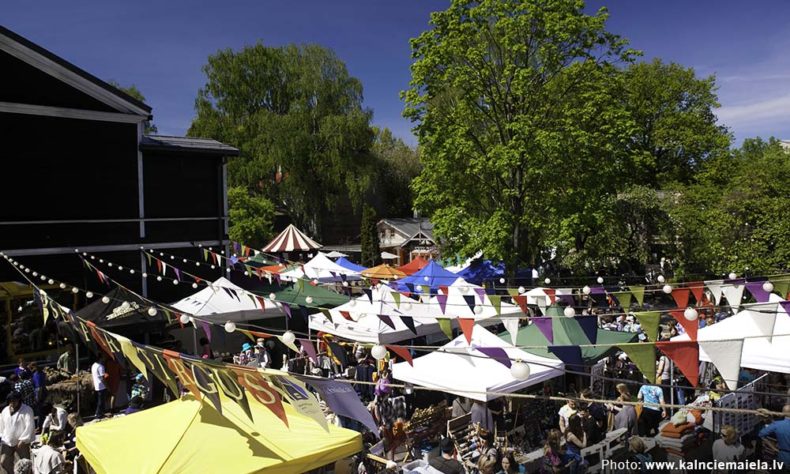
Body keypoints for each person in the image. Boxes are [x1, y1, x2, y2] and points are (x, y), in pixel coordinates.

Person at [0, 392, 35, 474]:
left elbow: (30, 425)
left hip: (21, 441)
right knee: (4, 462)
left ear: (19, 400)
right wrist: (2, 436)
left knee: (26, 463)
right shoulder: (5, 410)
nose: (12, 403)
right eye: (10, 401)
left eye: (14, 401)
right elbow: (2, 424)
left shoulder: (27, 410)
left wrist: (23, 439)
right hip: (7, 440)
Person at [91, 354, 109, 419]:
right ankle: (98, 414)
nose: (105, 359)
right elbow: (102, 378)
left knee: (99, 400)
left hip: (97, 385)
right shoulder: (101, 366)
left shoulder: (94, 365)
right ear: (101, 358)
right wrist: (107, 386)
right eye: (104, 357)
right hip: (102, 386)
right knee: (101, 401)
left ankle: (100, 413)